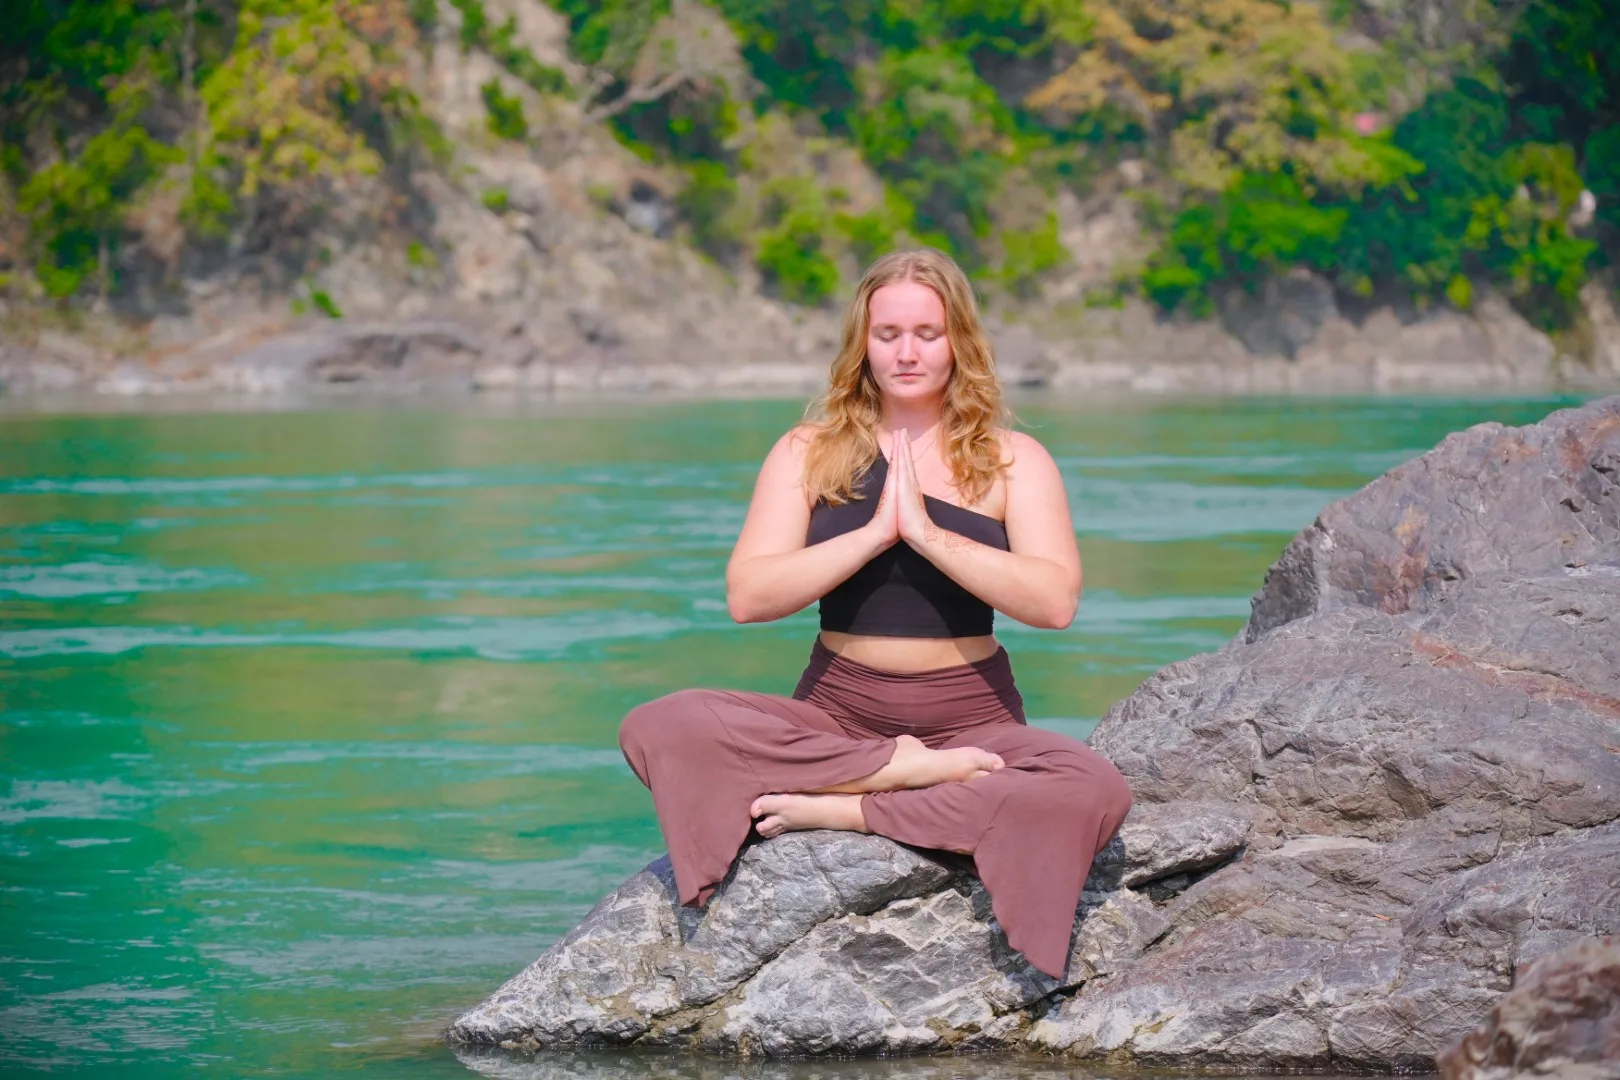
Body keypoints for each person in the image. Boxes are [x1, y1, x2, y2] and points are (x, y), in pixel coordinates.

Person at [618, 248, 1132, 980]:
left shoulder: (1013, 459)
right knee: (659, 725)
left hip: (972, 719)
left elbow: (1053, 604)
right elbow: (748, 597)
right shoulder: (808, 452)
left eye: (927, 332)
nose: (907, 351)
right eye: (888, 333)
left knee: (1094, 790)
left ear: (960, 339)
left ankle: (846, 806)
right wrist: (871, 534)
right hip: (837, 714)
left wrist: (927, 533)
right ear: (863, 342)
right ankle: (894, 770)